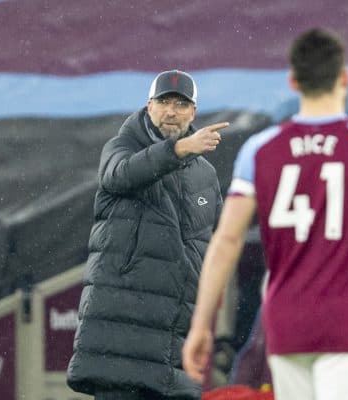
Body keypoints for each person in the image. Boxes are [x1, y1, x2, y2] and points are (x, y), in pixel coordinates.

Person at [183, 28, 348, 400]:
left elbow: (226, 240)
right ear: (343, 78)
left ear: (293, 82)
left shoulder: (260, 150)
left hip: (287, 325)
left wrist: (200, 325)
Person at [67, 69, 229, 400]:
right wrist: (180, 149)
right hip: (122, 343)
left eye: (181, 104)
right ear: (149, 106)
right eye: (164, 102)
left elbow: (215, 242)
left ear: (193, 112)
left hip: (175, 344)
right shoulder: (121, 147)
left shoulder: (206, 174)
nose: (172, 111)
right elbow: (120, 176)